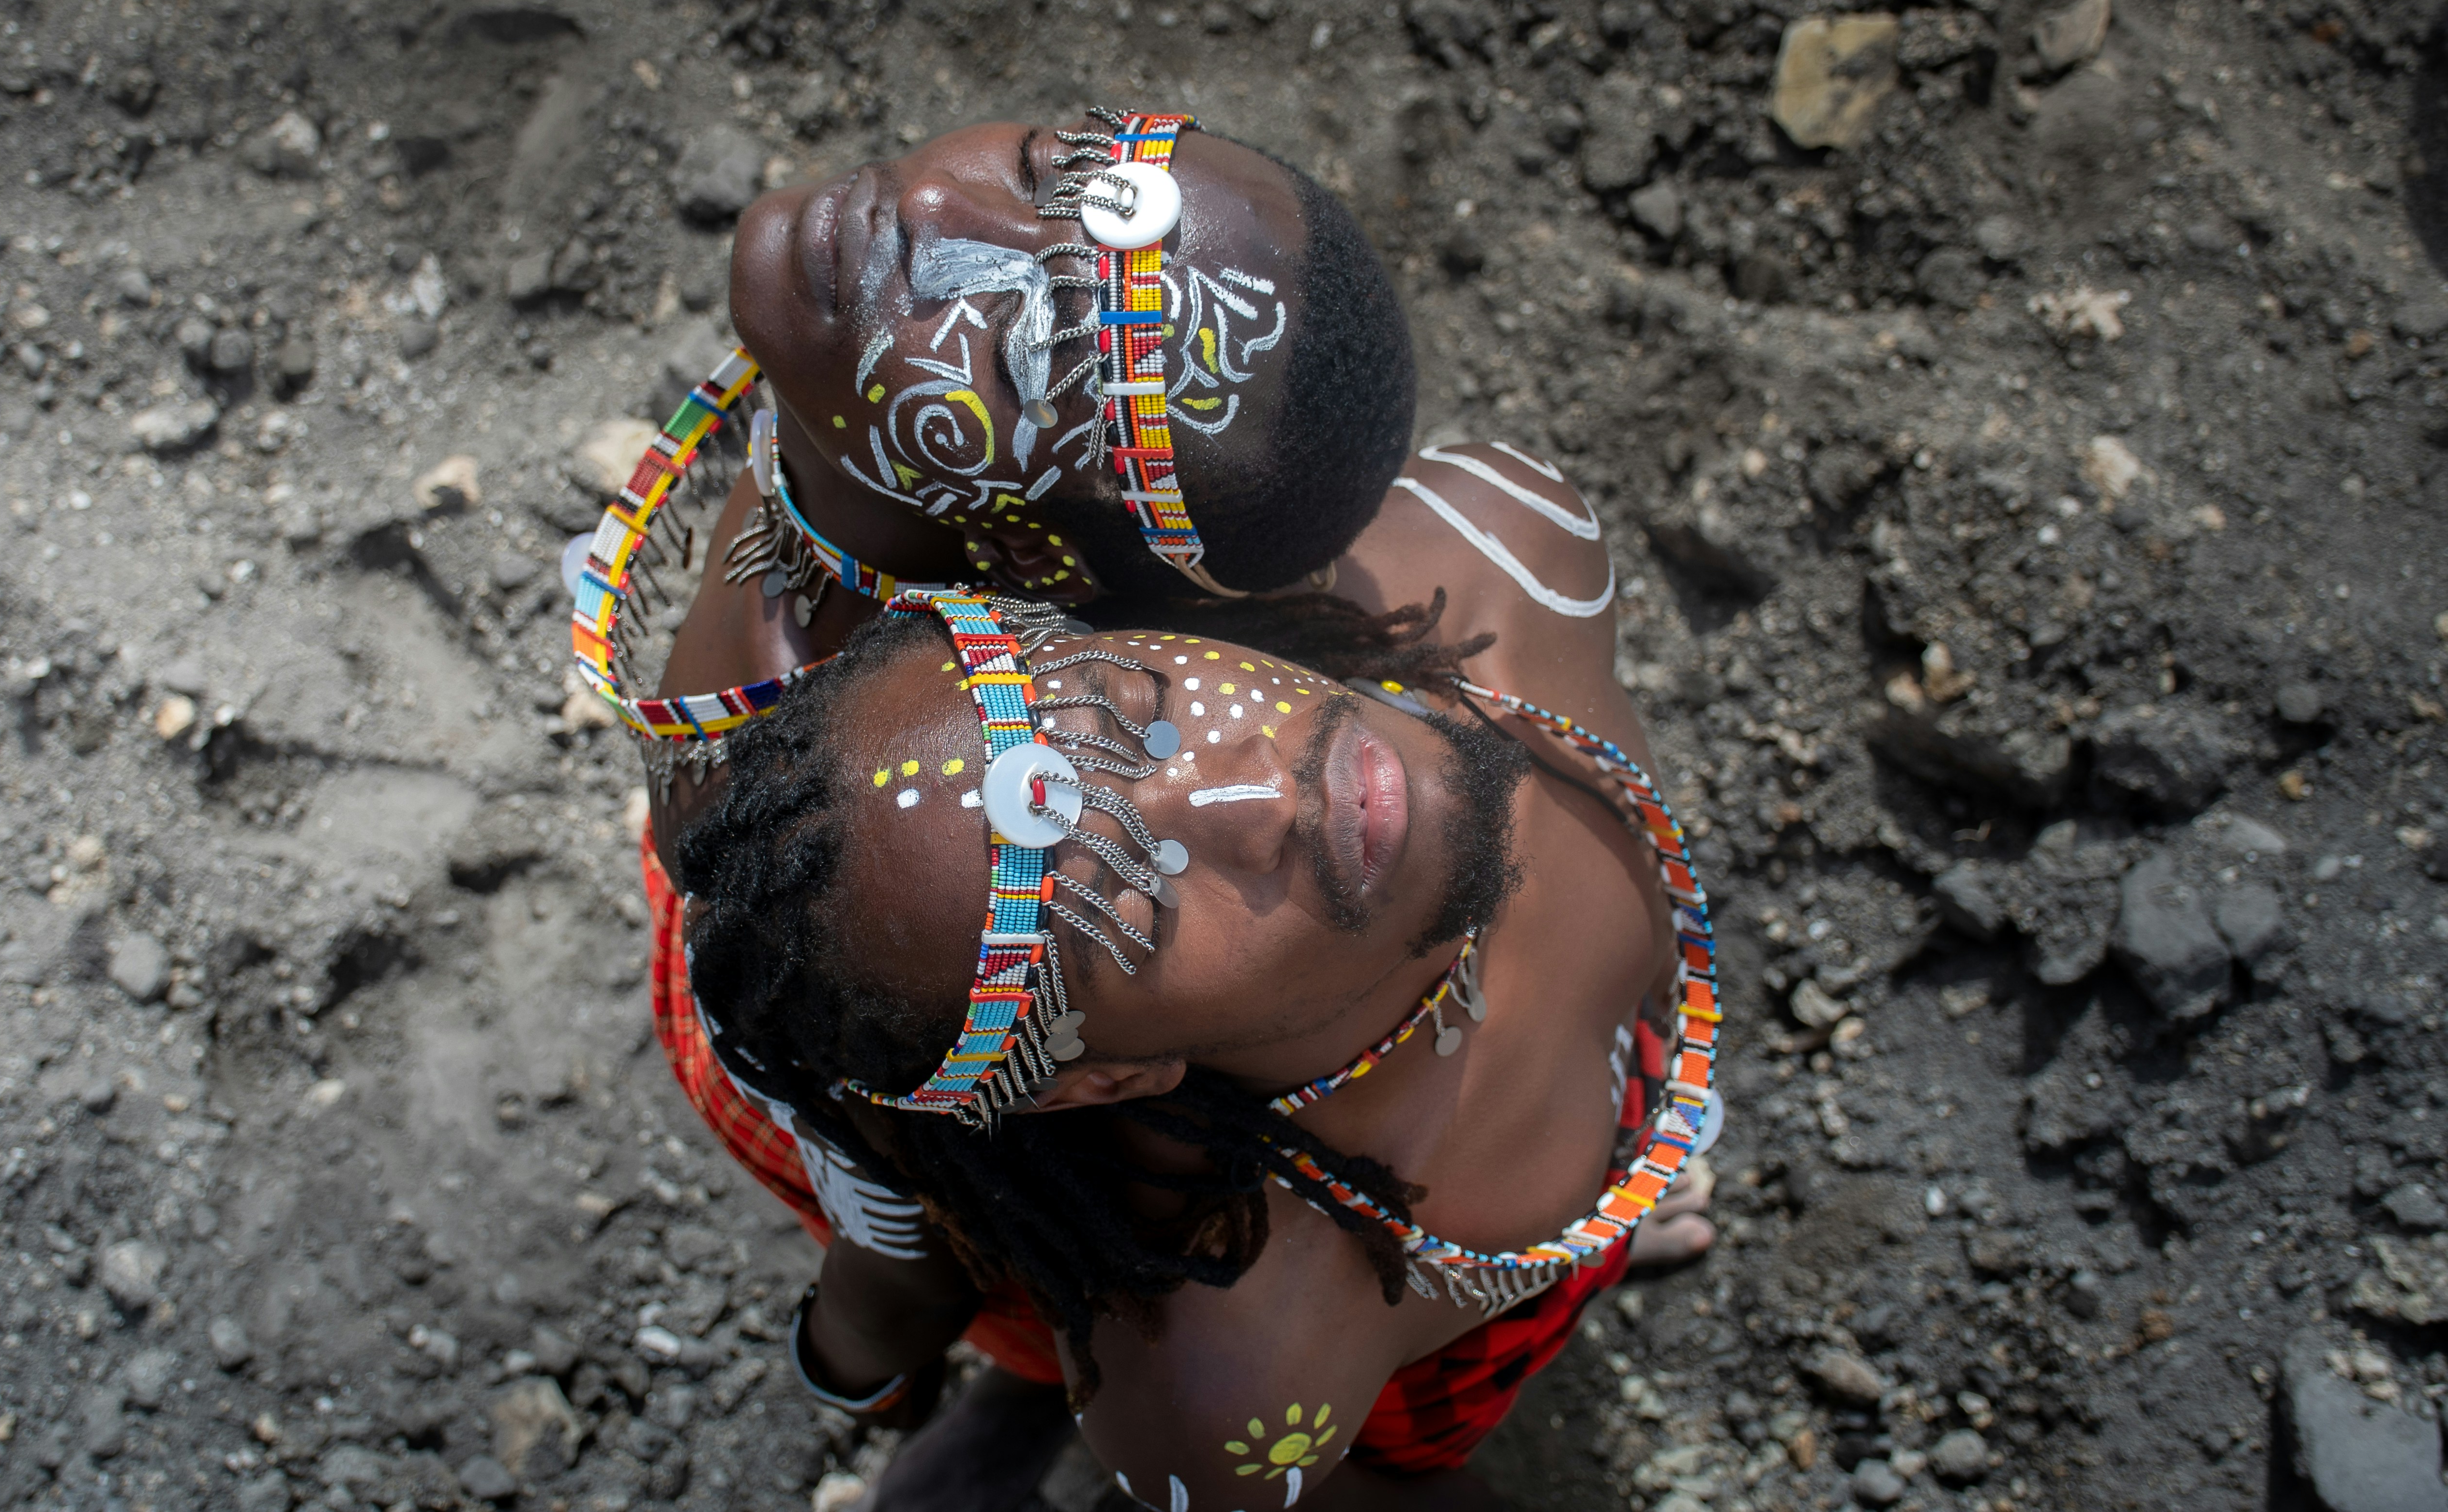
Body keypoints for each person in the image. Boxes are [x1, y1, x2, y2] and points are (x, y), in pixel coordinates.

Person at [651, 440, 1721, 1507]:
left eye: (1134, 707)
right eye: (1133, 913)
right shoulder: (1237, 1370)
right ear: (1109, 1080)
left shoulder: (1502, 540)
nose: (1259, 801)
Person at [587, 108, 1418, 877]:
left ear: (1033, 555)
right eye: (1041, 172)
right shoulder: (834, 407)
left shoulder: (775, 807)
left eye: (1019, 348)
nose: (936, 204)